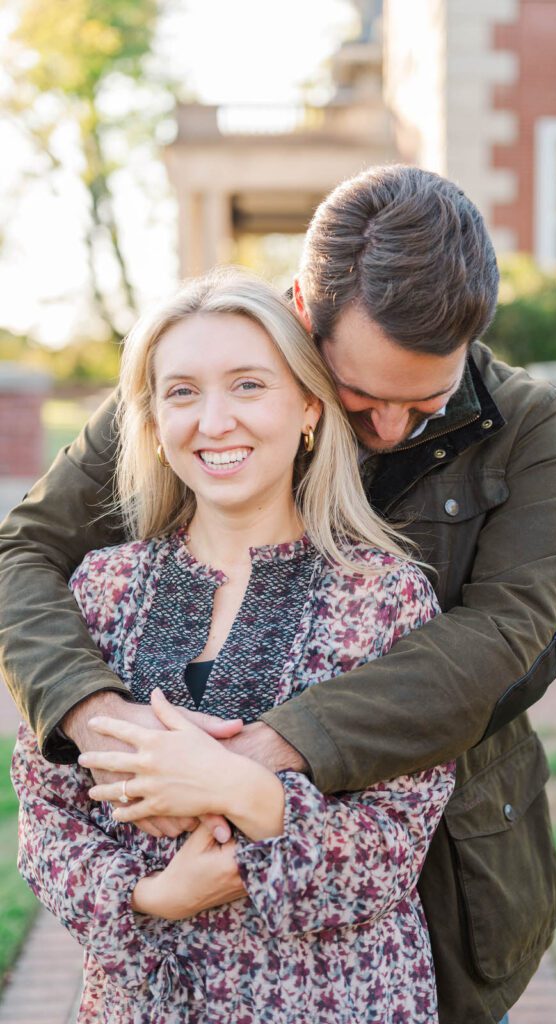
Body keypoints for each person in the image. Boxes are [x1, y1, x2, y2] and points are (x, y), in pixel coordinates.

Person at [0, 165, 556, 1024]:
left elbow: (506, 641)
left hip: (439, 865)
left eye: (423, 400)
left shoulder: (527, 427)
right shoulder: (210, 380)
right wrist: (104, 724)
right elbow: (25, 552)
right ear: (306, 317)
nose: (388, 428)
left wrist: (247, 761)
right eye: (359, 394)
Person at [11, 269, 456, 1022]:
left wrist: (236, 788)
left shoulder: (385, 595)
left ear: (309, 407)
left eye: (248, 385)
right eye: (182, 392)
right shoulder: (102, 589)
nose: (213, 421)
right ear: (152, 422)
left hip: (341, 999)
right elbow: (46, 815)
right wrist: (152, 897)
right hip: (144, 1001)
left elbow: (393, 842)